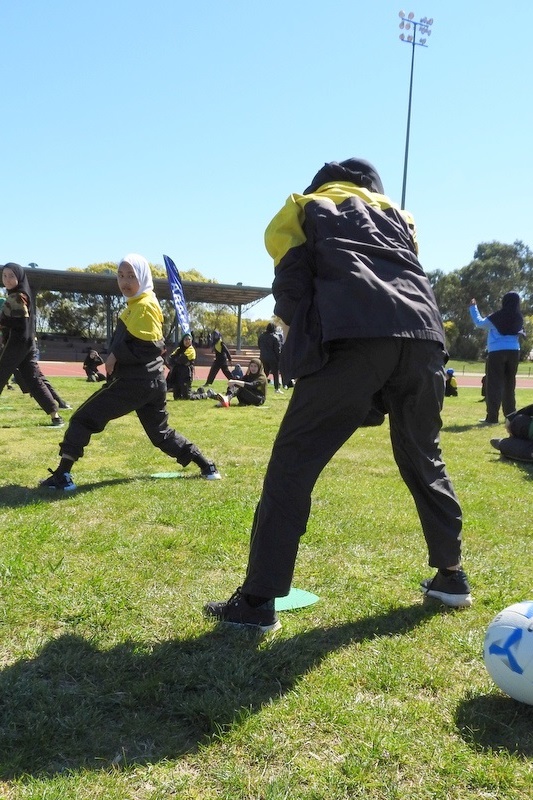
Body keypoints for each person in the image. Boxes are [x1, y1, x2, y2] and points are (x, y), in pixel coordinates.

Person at [204, 157, 471, 633]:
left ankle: (257, 600)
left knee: (294, 463)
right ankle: (451, 575)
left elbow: (290, 284)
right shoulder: (399, 215)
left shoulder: (303, 206)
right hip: (425, 338)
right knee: (424, 456)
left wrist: (304, 352)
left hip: (354, 334)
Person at [39, 254, 221, 491]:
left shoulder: (144, 306)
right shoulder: (138, 303)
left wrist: (115, 356)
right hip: (151, 382)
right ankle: (207, 466)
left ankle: (63, 476)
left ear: (143, 277)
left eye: (131, 276)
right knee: (161, 433)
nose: (125, 281)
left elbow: (152, 345)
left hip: (134, 382)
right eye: (120, 275)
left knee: (82, 419)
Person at [0, 263, 64, 426]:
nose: (7, 279)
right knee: (33, 379)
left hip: (17, 343)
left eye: (11, 276)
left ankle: (55, 413)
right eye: (4, 275)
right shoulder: (20, 293)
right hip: (26, 343)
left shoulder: (17, 296)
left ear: (19, 277)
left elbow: (20, 321)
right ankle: (54, 414)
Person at [469, 294, 523, 424]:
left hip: (497, 352)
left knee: (494, 385)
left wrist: (473, 307)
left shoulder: (497, 316)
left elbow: (479, 323)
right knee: (510, 385)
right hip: (514, 351)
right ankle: (511, 417)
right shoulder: (519, 317)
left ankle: (492, 418)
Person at [166, 333, 195, 399]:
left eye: (189, 339)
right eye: (186, 339)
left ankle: (204, 394)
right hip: (177, 376)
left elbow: (182, 359)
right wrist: (177, 360)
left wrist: (177, 360)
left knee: (187, 397)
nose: (187, 341)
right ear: (183, 340)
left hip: (186, 376)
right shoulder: (179, 349)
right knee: (177, 397)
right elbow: (171, 359)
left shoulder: (191, 350)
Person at [258, 322, 282, 393]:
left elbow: (259, 346)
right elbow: (277, 350)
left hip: (263, 357)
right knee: (275, 373)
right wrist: (279, 359)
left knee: (265, 373)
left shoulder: (261, 336)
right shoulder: (275, 337)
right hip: (273, 358)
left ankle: (260, 385)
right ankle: (277, 388)